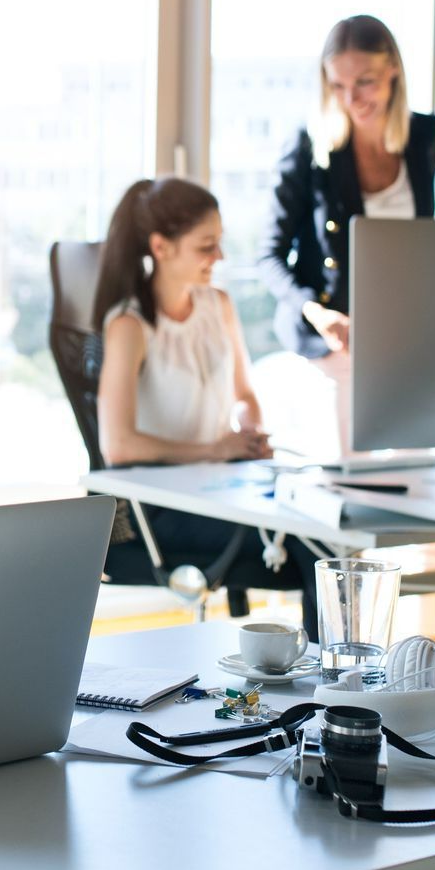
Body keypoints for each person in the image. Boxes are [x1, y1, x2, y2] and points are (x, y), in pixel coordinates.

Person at [93, 176, 315, 628]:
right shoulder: (130, 327)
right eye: (206, 246)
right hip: (161, 505)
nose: (220, 257)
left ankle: (336, 680)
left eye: (220, 243)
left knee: (327, 529)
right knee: (316, 548)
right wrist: (215, 450)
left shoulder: (219, 305)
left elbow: (245, 395)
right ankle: (333, 685)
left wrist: (248, 433)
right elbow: (118, 445)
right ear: (162, 247)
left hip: (221, 489)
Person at [258, 14, 435, 455]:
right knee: (351, 474)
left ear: (393, 70)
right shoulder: (310, 146)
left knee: (420, 469)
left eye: (365, 82)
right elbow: (270, 256)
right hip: (331, 333)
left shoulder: (424, 136)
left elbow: (424, 243)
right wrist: (316, 313)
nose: (351, 98)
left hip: (401, 331)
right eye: (337, 86)